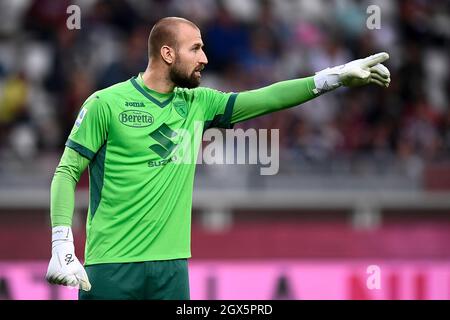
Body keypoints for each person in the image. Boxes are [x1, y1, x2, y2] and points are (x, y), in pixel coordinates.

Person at [45, 17, 390, 300]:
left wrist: (332, 77)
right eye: (195, 48)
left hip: (172, 269)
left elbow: (265, 99)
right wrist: (62, 242)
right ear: (167, 53)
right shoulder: (105, 103)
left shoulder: (199, 103)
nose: (204, 58)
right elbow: (66, 172)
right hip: (111, 266)